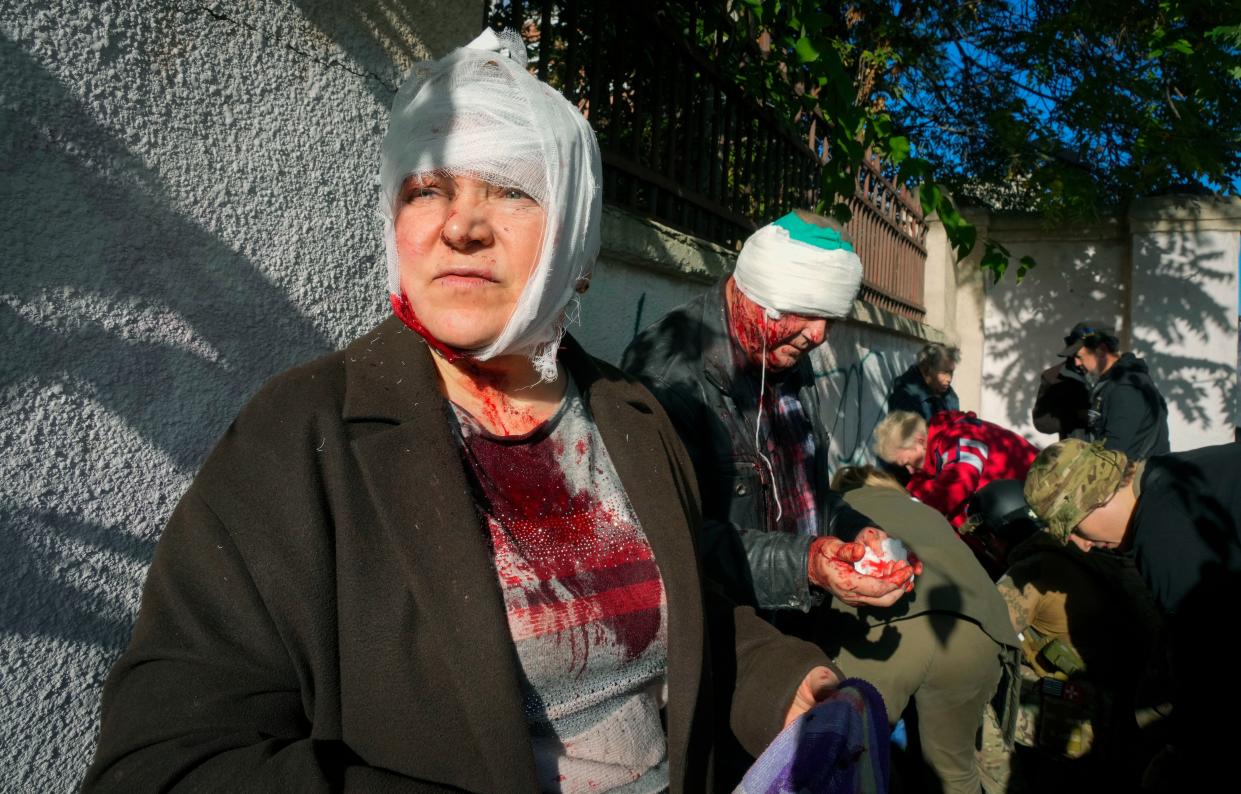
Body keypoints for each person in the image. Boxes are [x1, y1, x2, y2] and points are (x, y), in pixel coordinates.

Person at [82, 30, 851, 793]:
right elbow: (166, 761)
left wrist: (782, 681)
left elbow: (690, 612)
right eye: (427, 190)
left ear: (577, 239)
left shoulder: (633, 416)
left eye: (511, 189)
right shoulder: (297, 439)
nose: (461, 225)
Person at [621, 212, 918, 618]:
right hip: (729, 638)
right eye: (806, 311)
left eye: (830, 318)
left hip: (793, 624)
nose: (818, 335)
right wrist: (805, 564)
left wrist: (854, 533)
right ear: (757, 292)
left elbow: (804, 496)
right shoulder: (669, 378)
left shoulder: (782, 352)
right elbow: (667, 539)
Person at [1023, 438, 1241, 784]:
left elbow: (1212, 664)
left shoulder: (1163, 536)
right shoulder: (1168, 474)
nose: (1081, 544)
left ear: (1098, 498)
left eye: (1075, 527)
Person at [825, 466, 1020, 794]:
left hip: (885, 635)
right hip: (975, 630)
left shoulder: (836, 510)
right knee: (953, 773)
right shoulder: (925, 510)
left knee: (851, 765)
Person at [872, 409, 1039, 531]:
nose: (909, 471)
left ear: (921, 441)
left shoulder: (962, 435)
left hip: (1042, 504)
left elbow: (960, 480)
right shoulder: (933, 459)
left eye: (908, 463)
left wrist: (921, 521)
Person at [1062, 323, 1169, 458]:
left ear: (1101, 350)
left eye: (1079, 356)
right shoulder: (1112, 382)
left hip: (1137, 475)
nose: (1077, 363)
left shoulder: (1126, 387)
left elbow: (1115, 448)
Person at [1031, 324, 1092, 439]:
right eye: (1075, 355)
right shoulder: (1053, 376)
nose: (1078, 362)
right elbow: (1042, 422)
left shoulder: (1117, 374)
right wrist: (1078, 415)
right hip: (1074, 450)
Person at [887, 342, 961, 421]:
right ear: (926, 368)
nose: (949, 379)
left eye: (951, 372)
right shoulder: (906, 398)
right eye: (944, 372)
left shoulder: (948, 394)